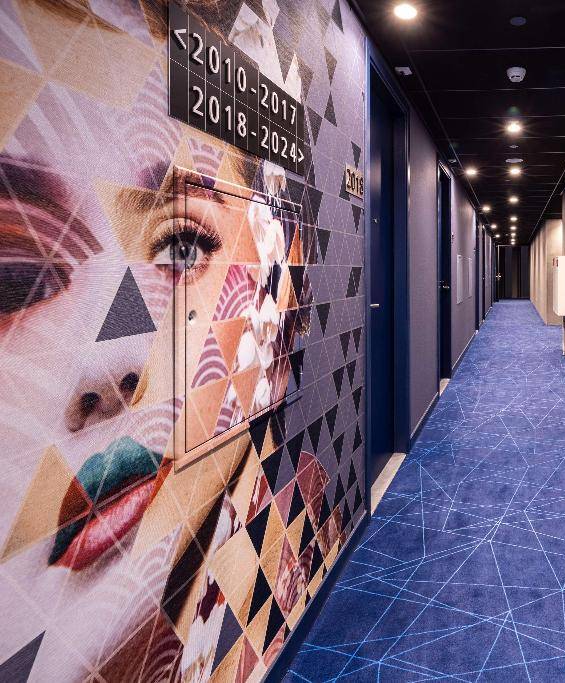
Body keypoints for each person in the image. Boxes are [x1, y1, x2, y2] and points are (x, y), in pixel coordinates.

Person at [0, 1, 323, 679]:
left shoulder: (303, 524)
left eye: (182, 247)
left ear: (281, 287)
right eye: (15, 279)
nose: (115, 360)